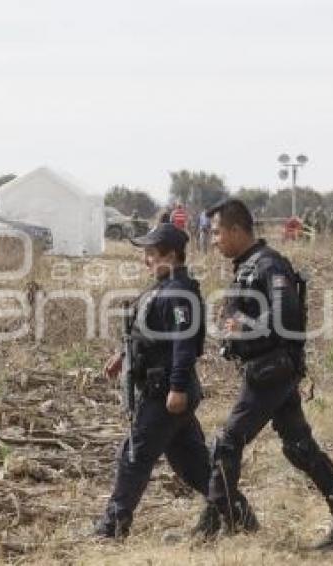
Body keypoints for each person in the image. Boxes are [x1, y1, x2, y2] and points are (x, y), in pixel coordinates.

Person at [196, 199, 333, 550]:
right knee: (300, 448)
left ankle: (212, 526)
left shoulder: (269, 266)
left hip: (271, 372)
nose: (213, 240)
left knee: (228, 442)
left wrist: (240, 324)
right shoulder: (247, 265)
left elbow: (286, 323)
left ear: (236, 230)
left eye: (216, 232)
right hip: (267, 371)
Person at [94, 223, 211, 539]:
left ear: (171, 256)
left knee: (134, 457)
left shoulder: (178, 293)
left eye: (150, 253)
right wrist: (122, 356)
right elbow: (148, 334)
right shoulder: (163, 287)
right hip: (164, 391)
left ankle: (112, 528)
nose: (145, 259)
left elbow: (183, 346)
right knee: (195, 466)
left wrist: (176, 387)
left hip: (166, 395)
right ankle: (237, 514)